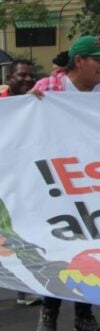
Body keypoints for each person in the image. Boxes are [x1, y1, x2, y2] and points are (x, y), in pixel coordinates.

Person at [29, 35, 100, 330]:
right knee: (56, 249)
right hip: (54, 183)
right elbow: (25, 125)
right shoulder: (47, 88)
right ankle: (48, 314)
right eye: (98, 59)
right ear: (79, 62)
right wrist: (31, 103)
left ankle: (84, 314)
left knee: (91, 250)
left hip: (92, 182)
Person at [0, 59, 44, 307]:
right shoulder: (3, 107)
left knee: (19, 234)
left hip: (22, 184)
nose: (27, 80)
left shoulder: (38, 103)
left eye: (31, 76)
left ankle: (24, 289)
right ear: (9, 79)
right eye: (22, 76)